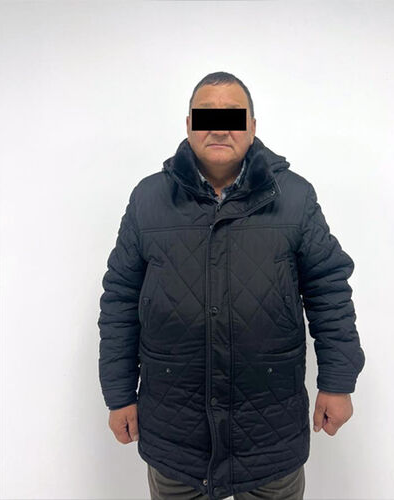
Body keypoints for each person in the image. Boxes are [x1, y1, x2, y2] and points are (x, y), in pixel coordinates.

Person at [97, 72, 365, 500]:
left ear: (252, 127)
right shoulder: (148, 200)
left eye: (233, 117)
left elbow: (328, 290)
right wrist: (118, 393)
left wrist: (337, 381)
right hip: (174, 432)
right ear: (189, 125)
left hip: (269, 430)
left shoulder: (295, 198)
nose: (220, 129)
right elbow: (120, 301)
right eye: (207, 117)